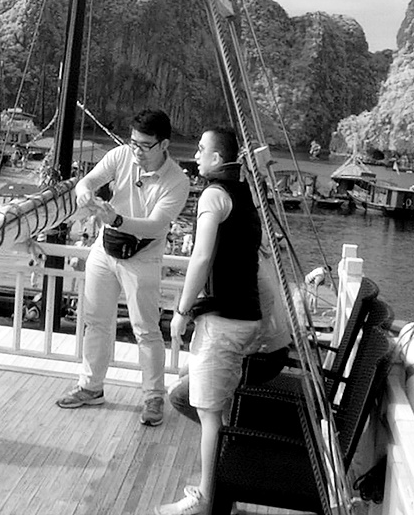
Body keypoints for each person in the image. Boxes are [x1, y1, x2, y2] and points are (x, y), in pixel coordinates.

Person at [52, 109, 184, 424]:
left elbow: (156, 225)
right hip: (105, 248)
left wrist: (117, 218)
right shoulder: (121, 155)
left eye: (145, 145)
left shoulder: (177, 180)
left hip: (143, 255)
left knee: (146, 329)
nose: (137, 150)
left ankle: (153, 397)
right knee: (96, 321)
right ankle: (90, 387)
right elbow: (89, 180)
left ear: (164, 144)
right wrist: (85, 192)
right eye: (134, 142)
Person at [162, 126, 266, 515]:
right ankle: (223, 488)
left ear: (218, 159)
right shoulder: (245, 195)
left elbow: (201, 257)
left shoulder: (213, 195)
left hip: (223, 324)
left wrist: (181, 311)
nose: (196, 155)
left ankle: (207, 500)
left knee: (209, 414)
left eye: (201, 150)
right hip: (246, 320)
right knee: (201, 400)